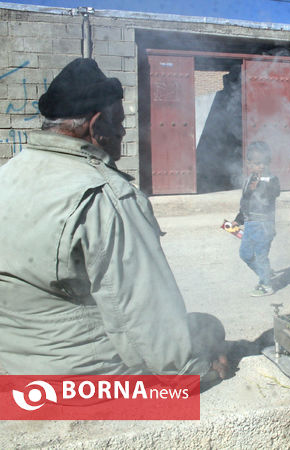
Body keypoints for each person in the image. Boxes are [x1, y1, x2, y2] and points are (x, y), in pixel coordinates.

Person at [0, 58, 228, 381]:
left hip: (12, 361)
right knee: (209, 327)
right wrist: (191, 372)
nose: (122, 131)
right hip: (80, 376)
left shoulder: (8, 174)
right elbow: (141, 311)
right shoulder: (107, 195)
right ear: (95, 127)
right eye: (118, 122)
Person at [233, 142, 280, 296]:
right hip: (249, 224)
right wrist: (238, 220)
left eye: (264, 163)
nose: (261, 167)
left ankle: (266, 285)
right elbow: (245, 202)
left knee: (261, 256)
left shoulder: (271, 180)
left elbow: (273, 195)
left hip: (264, 226)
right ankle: (265, 272)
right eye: (257, 164)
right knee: (245, 254)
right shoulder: (248, 180)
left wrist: (261, 185)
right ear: (249, 163)